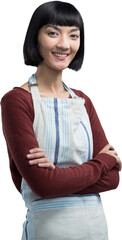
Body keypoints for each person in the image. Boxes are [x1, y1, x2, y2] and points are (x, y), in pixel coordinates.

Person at [1, 1, 122, 239]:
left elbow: (113, 178)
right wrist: (100, 163)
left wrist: (57, 176)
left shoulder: (83, 101)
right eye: (53, 33)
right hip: (48, 231)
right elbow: (43, 185)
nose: (64, 44)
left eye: (73, 35)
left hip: (97, 230)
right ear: (35, 37)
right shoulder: (17, 101)